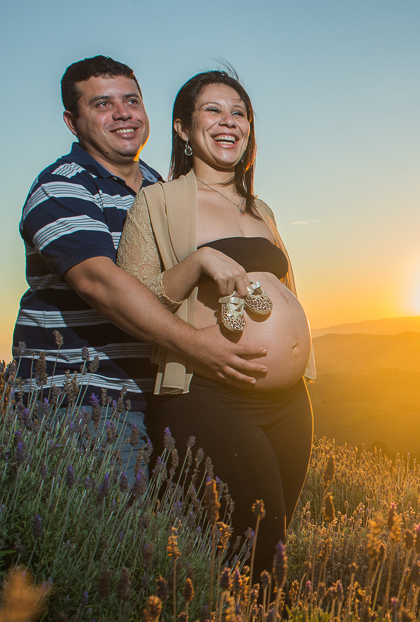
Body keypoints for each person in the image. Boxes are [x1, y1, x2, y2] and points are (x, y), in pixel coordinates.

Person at [14, 56, 271, 481]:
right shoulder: (62, 186)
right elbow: (101, 284)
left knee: (172, 540)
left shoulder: (161, 190)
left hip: (163, 397)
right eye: (102, 104)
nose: (122, 114)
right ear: (71, 121)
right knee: (104, 538)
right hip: (84, 400)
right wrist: (196, 345)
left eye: (131, 100)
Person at [117, 70, 316, 581]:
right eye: (213, 110)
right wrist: (200, 260)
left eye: (240, 112)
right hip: (212, 394)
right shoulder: (157, 203)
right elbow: (136, 301)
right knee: (253, 548)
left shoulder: (260, 208)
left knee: (272, 550)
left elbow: (285, 290)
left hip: (289, 403)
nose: (229, 121)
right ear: (183, 129)